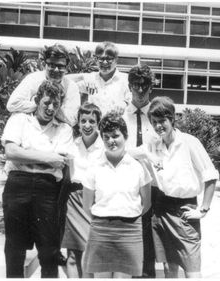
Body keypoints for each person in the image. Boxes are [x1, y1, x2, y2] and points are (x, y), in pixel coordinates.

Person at [1, 81, 73, 278]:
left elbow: (60, 161)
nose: (50, 108)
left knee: (49, 250)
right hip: (18, 184)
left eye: (55, 105)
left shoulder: (64, 129)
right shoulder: (19, 119)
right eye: (46, 103)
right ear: (37, 100)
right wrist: (47, 157)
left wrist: (26, 153)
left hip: (47, 189)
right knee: (14, 248)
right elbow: (11, 151)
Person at [147, 96, 219, 278]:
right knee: (169, 269)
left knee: (192, 270)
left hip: (185, 210)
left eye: (162, 121)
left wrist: (203, 209)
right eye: (154, 122)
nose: (158, 126)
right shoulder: (154, 145)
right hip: (161, 211)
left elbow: (210, 176)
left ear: (172, 119)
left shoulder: (189, 142)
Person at [82, 113, 151, 278]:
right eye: (106, 137)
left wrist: (126, 215)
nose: (111, 140)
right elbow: (87, 205)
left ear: (125, 136)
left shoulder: (138, 167)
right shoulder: (94, 167)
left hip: (130, 231)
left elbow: (146, 204)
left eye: (115, 136)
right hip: (101, 230)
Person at [123, 64, 159, 278]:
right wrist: (143, 152)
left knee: (149, 242)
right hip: (126, 186)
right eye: (135, 85)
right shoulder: (120, 115)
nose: (139, 89)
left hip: (153, 187)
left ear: (150, 88)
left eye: (144, 85)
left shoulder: (158, 116)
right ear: (129, 86)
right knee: (128, 239)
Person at [61, 103, 105, 278]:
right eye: (83, 121)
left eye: (92, 121)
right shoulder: (72, 145)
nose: (87, 125)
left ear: (98, 123)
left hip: (94, 201)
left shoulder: (105, 147)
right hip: (72, 201)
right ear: (78, 123)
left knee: (88, 251)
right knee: (72, 255)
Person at [6, 43, 80, 126]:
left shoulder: (71, 86)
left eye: (60, 66)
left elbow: (72, 120)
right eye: (52, 65)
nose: (56, 70)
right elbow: (12, 105)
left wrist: (50, 107)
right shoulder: (33, 79)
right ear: (45, 64)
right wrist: (39, 104)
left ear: (66, 67)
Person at [68, 41, 131, 115]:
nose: (104, 62)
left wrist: (124, 103)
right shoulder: (90, 79)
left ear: (116, 60)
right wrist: (84, 76)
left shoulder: (126, 79)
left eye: (109, 59)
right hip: (94, 125)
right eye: (101, 59)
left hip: (117, 124)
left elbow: (133, 101)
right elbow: (62, 80)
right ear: (96, 60)